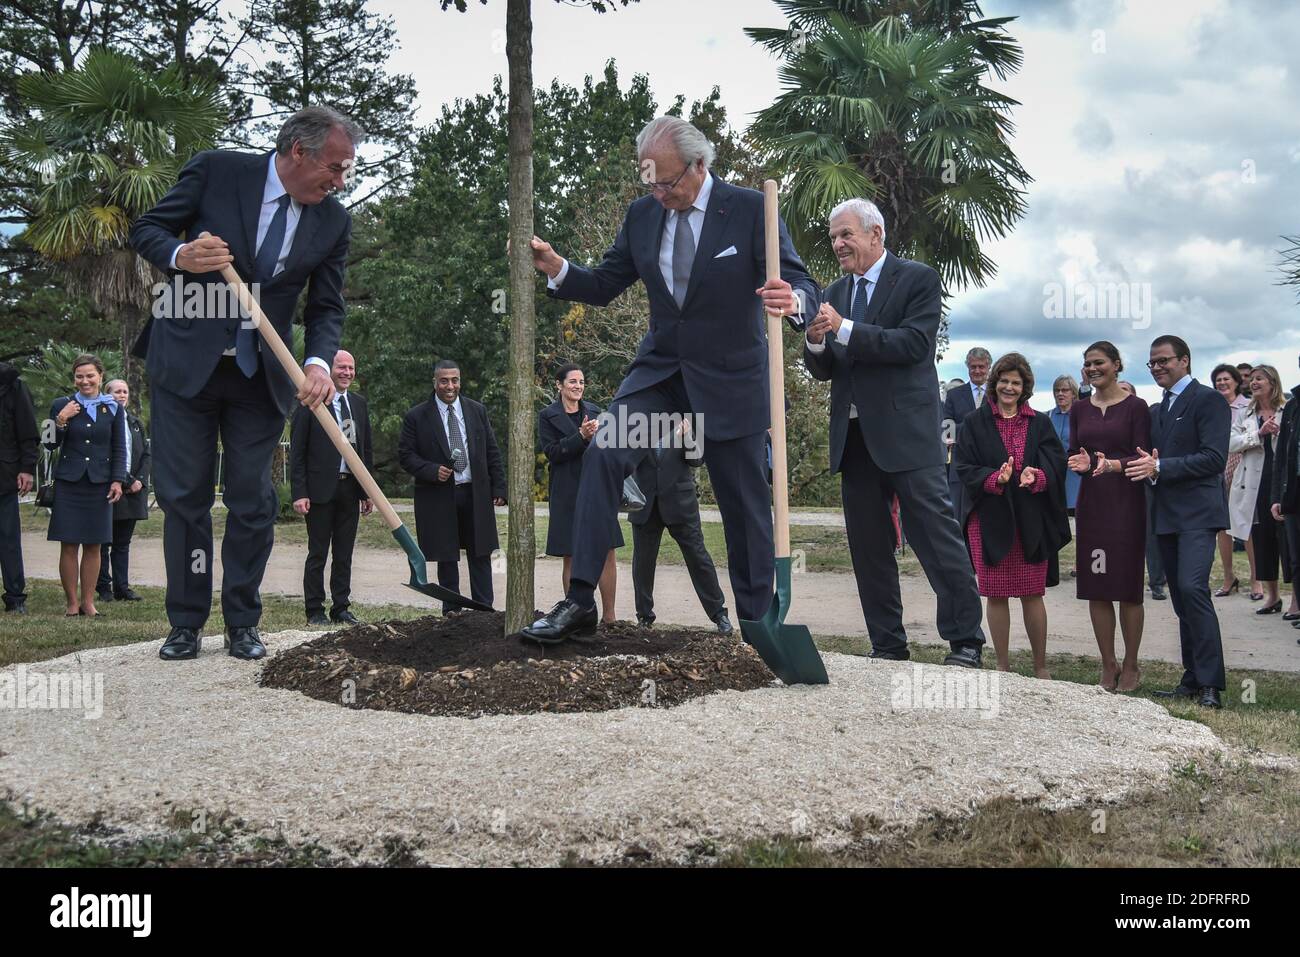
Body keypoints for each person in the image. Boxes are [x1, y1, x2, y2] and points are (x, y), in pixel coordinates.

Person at [521, 116, 817, 643]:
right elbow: (605, 283)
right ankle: (581, 600)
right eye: (650, 182)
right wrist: (558, 267)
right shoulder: (642, 216)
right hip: (661, 374)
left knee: (744, 504)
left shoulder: (750, 210)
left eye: (668, 182)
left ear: (700, 166)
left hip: (731, 382)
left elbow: (799, 279)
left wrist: (794, 301)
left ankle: (757, 626)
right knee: (605, 450)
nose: (658, 193)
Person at [129, 105, 360, 662]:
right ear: (296, 152)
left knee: (252, 500)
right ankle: (186, 622)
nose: (341, 181)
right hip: (186, 362)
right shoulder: (216, 170)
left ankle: (242, 621)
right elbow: (148, 229)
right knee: (185, 498)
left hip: (262, 375)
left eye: (348, 170)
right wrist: (181, 254)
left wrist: (320, 365)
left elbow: (326, 307)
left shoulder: (333, 221)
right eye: (335, 167)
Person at [804, 197, 986, 666]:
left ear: (875, 234)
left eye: (846, 234)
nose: (838, 243)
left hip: (908, 436)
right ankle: (888, 644)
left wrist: (844, 329)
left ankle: (965, 641)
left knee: (936, 539)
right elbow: (825, 371)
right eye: (833, 237)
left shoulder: (918, 278)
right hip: (854, 439)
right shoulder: (835, 293)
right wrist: (816, 340)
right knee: (869, 548)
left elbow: (914, 344)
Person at [1127, 335, 1228, 709]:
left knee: (1193, 588)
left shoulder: (1209, 400)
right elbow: (1146, 458)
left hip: (1200, 514)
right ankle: (1192, 678)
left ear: (1184, 360)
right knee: (1181, 598)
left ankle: (1211, 685)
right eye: (1152, 363)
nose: (1157, 368)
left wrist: (1161, 467)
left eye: (1163, 361)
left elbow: (1214, 458)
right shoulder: (1157, 411)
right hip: (1167, 515)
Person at [955, 353, 1069, 677]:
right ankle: (1002, 665)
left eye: (1015, 382)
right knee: (996, 594)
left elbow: (1056, 463)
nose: (1009, 386)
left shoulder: (1040, 422)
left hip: (1030, 519)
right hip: (988, 518)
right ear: (995, 383)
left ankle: (1041, 667)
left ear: (1025, 387)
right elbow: (963, 466)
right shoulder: (974, 423)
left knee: (1032, 593)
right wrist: (995, 479)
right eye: (1004, 380)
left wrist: (1038, 476)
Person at [1068, 342, 1150, 691]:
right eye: (1087, 364)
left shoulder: (1137, 407)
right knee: (1097, 586)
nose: (1091, 368)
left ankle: (1131, 664)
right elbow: (1075, 453)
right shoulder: (1079, 409)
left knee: (1128, 589)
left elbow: (1145, 459)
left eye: (1098, 362)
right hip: (1092, 505)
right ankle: (1108, 663)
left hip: (1127, 504)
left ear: (1117, 365)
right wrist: (1081, 463)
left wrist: (1115, 465)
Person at [399, 359, 506, 613]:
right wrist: (431, 470)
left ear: (460, 381)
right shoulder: (417, 416)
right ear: (435, 382)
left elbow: (491, 450)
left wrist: (499, 487)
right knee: (446, 556)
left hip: (474, 493)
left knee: (481, 554)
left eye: (454, 380)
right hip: (439, 495)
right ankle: (452, 611)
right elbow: (406, 456)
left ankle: (484, 610)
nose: (450, 386)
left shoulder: (476, 410)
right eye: (444, 381)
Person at [290, 349, 373, 626]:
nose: (347, 373)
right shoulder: (311, 401)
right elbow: (298, 451)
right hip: (319, 490)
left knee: (344, 553)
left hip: (350, 489)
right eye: (341, 367)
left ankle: (341, 607)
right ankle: (314, 610)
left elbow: (364, 451)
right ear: (329, 370)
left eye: (351, 368)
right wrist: (299, 492)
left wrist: (367, 491)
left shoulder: (358, 405)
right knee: (318, 553)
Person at [630, 416, 732, 634]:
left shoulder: (689, 417)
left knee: (699, 559)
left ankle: (719, 615)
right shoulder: (635, 419)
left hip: (680, 503)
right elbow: (623, 460)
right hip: (645, 504)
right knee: (642, 564)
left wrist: (686, 435)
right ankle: (644, 617)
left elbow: (697, 460)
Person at [537, 364, 621, 623]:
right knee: (571, 554)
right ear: (559, 385)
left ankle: (610, 617)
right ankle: (577, 616)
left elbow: (609, 448)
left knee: (607, 551)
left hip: (597, 489)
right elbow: (552, 452)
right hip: (566, 493)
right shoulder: (547, 415)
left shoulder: (595, 411)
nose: (578, 386)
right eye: (572, 381)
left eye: (582, 382)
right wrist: (580, 437)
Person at [45, 354, 126, 617]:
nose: (85, 381)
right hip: (70, 482)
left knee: (95, 544)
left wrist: (118, 479)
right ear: (74, 379)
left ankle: (88, 602)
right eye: (79, 376)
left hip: (100, 483)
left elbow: (119, 447)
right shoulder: (61, 404)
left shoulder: (113, 407)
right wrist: (61, 420)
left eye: (90, 375)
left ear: (100, 376)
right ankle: (71, 603)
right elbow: (48, 443)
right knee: (68, 544)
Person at [1228, 365, 1286, 615]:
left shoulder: (1288, 409)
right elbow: (1230, 443)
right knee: (1262, 542)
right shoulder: (1245, 413)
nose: (1253, 383)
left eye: (1259, 378)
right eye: (1251, 379)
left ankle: (1295, 601)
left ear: (1273, 382)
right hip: (1255, 485)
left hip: (1284, 482)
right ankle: (1272, 597)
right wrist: (1258, 434)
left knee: (1290, 543)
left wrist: (1281, 433)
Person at [94, 379, 150, 603]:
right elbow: (106, 454)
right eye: (117, 391)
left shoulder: (135, 422)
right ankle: (103, 588)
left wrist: (140, 481)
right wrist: (126, 480)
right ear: (107, 394)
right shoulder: (102, 422)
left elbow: (146, 453)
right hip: (110, 488)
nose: (122, 395)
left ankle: (122, 588)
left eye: (125, 391)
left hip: (134, 492)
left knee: (122, 543)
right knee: (103, 543)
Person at [0, 360, 38, 614]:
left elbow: (27, 430)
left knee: (7, 538)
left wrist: (27, 468)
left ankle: (15, 597)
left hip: (4, 474)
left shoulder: (13, 384)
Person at [1211, 363, 1252, 597]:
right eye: (1218, 380)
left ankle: (1257, 581)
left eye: (1226, 379)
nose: (1222, 383)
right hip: (1217, 468)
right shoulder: (1212, 406)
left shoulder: (1248, 406)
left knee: (1246, 524)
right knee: (1223, 527)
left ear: (1236, 381)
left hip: (1242, 467)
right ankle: (1228, 577)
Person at [1268, 352, 1300, 633]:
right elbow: (1282, 457)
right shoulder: (1293, 406)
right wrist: (1277, 495)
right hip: (1293, 494)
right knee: (1296, 558)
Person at [941, 347, 991, 522]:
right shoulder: (954, 395)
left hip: (990, 463)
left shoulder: (997, 395)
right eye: (973, 367)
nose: (977, 371)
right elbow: (947, 430)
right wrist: (974, 424)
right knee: (958, 518)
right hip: (960, 465)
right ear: (967, 367)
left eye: (981, 367)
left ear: (988, 367)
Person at [1048, 374, 1081, 513]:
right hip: (1053, 475)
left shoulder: (1080, 416)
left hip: (1075, 475)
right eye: (1057, 390)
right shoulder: (1047, 416)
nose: (1060, 394)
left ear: (1073, 393)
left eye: (1065, 390)